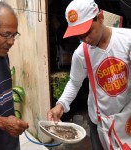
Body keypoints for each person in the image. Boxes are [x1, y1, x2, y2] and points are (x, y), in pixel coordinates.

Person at [47, 0, 131, 149]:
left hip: (127, 116)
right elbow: (74, 82)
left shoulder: (127, 39)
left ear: (100, 18)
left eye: (88, 32)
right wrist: (60, 105)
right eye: (79, 36)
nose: (85, 39)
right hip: (99, 121)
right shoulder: (81, 54)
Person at [0, 1, 29, 150]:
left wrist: (9, 125)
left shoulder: (2, 53)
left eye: (14, 35)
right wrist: (1, 122)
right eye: (6, 34)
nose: (12, 42)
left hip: (11, 142)